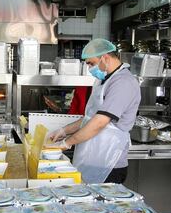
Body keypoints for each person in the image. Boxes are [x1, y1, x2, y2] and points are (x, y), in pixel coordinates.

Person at [47, 39, 140, 184]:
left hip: (108, 164)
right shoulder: (104, 80)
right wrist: (64, 130)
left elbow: (99, 123)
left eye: (91, 63)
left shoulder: (123, 82)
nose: (89, 67)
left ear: (105, 58)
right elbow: (90, 118)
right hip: (92, 158)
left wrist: (67, 143)